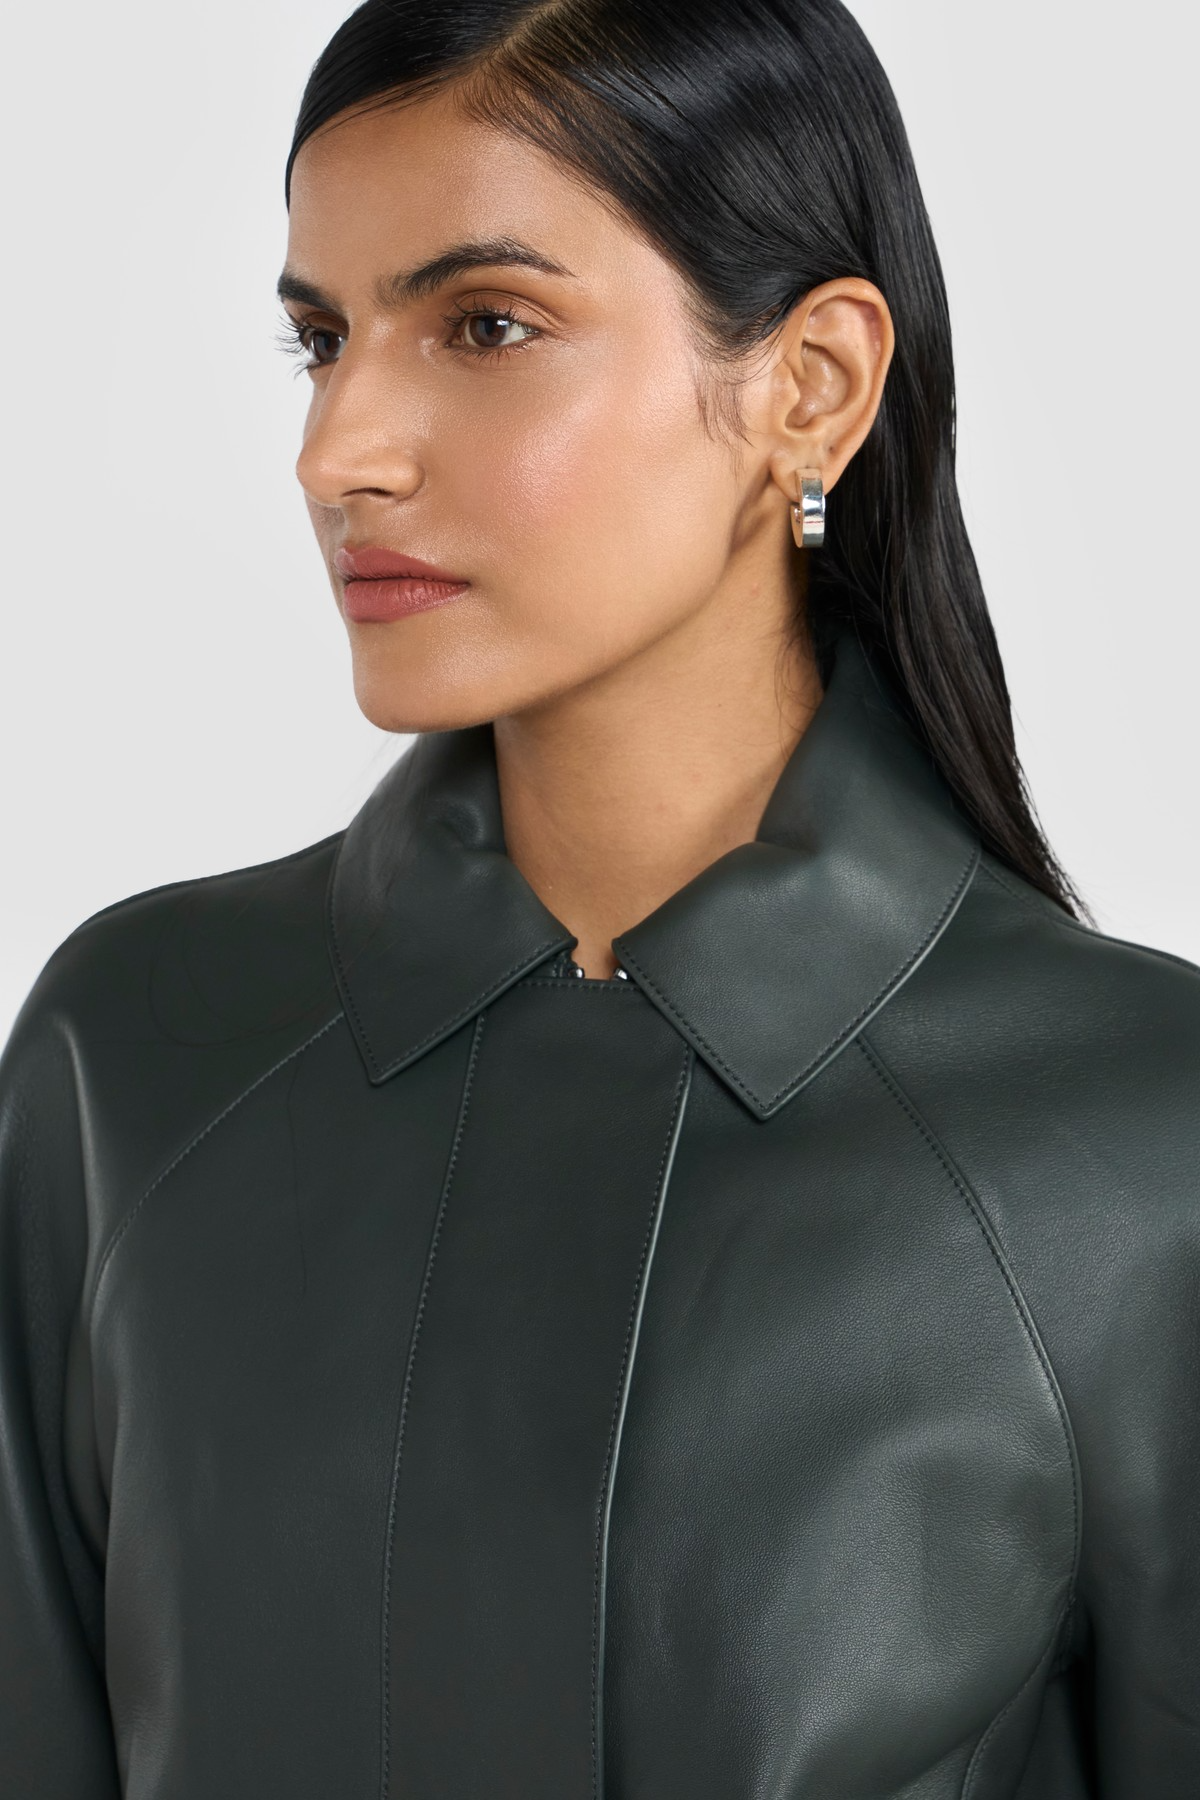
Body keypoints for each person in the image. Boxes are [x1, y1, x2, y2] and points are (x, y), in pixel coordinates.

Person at [2, 0, 1197, 1794]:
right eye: (321, 339)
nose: (340, 450)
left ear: (811, 387)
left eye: (487, 325)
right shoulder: (137, 1058)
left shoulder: (1142, 1138)